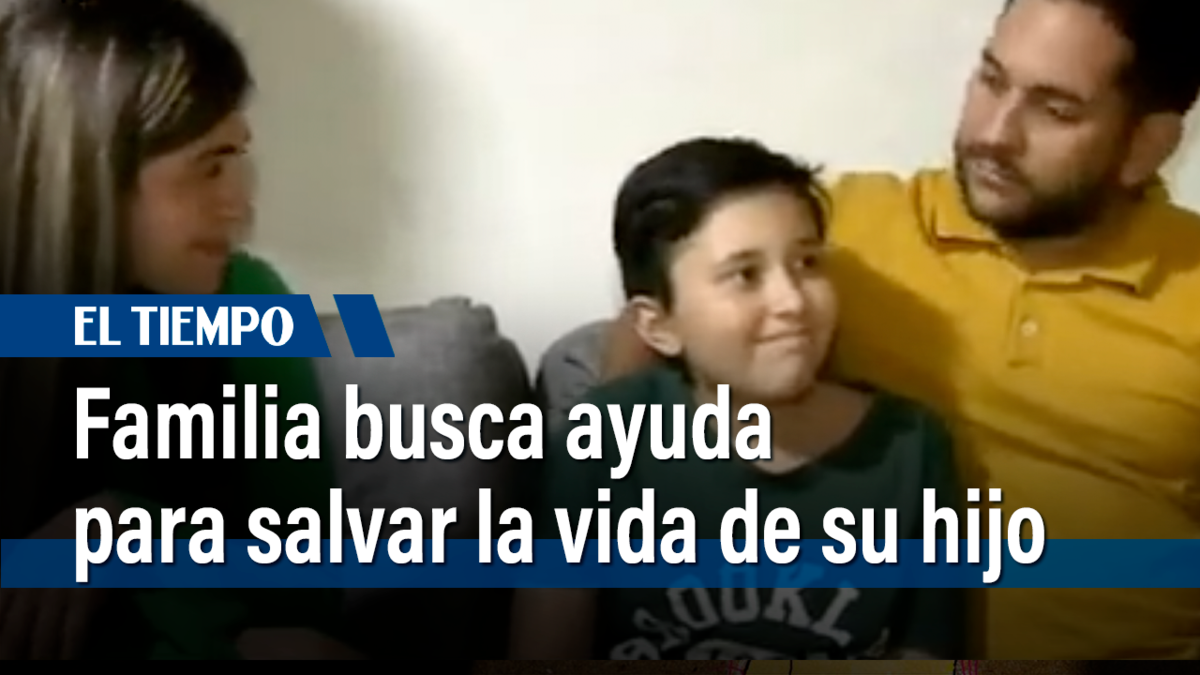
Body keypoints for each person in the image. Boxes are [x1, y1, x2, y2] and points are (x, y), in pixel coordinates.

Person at [597, 0, 1200, 660]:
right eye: (991, 79)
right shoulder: (837, 233)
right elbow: (660, 322)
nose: (994, 133)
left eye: (1055, 110)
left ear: (1147, 146)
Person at [0, 0, 361, 660]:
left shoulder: (250, 300)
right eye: (209, 166)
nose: (242, 206)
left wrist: (139, 538)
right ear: (89, 175)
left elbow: (303, 596)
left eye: (238, 156)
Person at [511, 138, 965, 660]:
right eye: (745, 275)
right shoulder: (605, 435)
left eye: (807, 262)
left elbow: (928, 651)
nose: (792, 301)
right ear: (659, 327)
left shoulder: (910, 446)